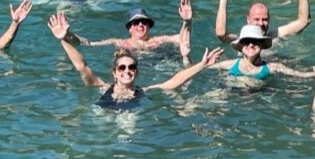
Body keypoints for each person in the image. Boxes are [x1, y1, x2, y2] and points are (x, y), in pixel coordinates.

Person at [48, 12, 223, 107]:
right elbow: (81, 65)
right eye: (122, 68)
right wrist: (64, 38)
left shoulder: (142, 91)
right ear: (114, 73)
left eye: (131, 67)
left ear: (136, 72)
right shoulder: (102, 86)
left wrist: (202, 64)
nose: (127, 71)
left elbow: (174, 81)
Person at [73, 2, 192, 59]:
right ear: (130, 28)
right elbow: (89, 44)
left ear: (149, 26)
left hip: (159, 65)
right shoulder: (119, 42)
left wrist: (186, 22)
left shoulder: (159, 40)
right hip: (133, 69)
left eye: (144, 22)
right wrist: (67, 36)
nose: (140, 24)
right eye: (136, 22)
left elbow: (183, 38)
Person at [212, 25, 315, 80]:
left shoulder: (273, 67)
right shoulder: (230, 64)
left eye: (255, 41)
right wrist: (205, 63)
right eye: (246, 41)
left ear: (261, 45)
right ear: (240, 46)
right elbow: (203, 68)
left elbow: (300, 75)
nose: (251, 45)